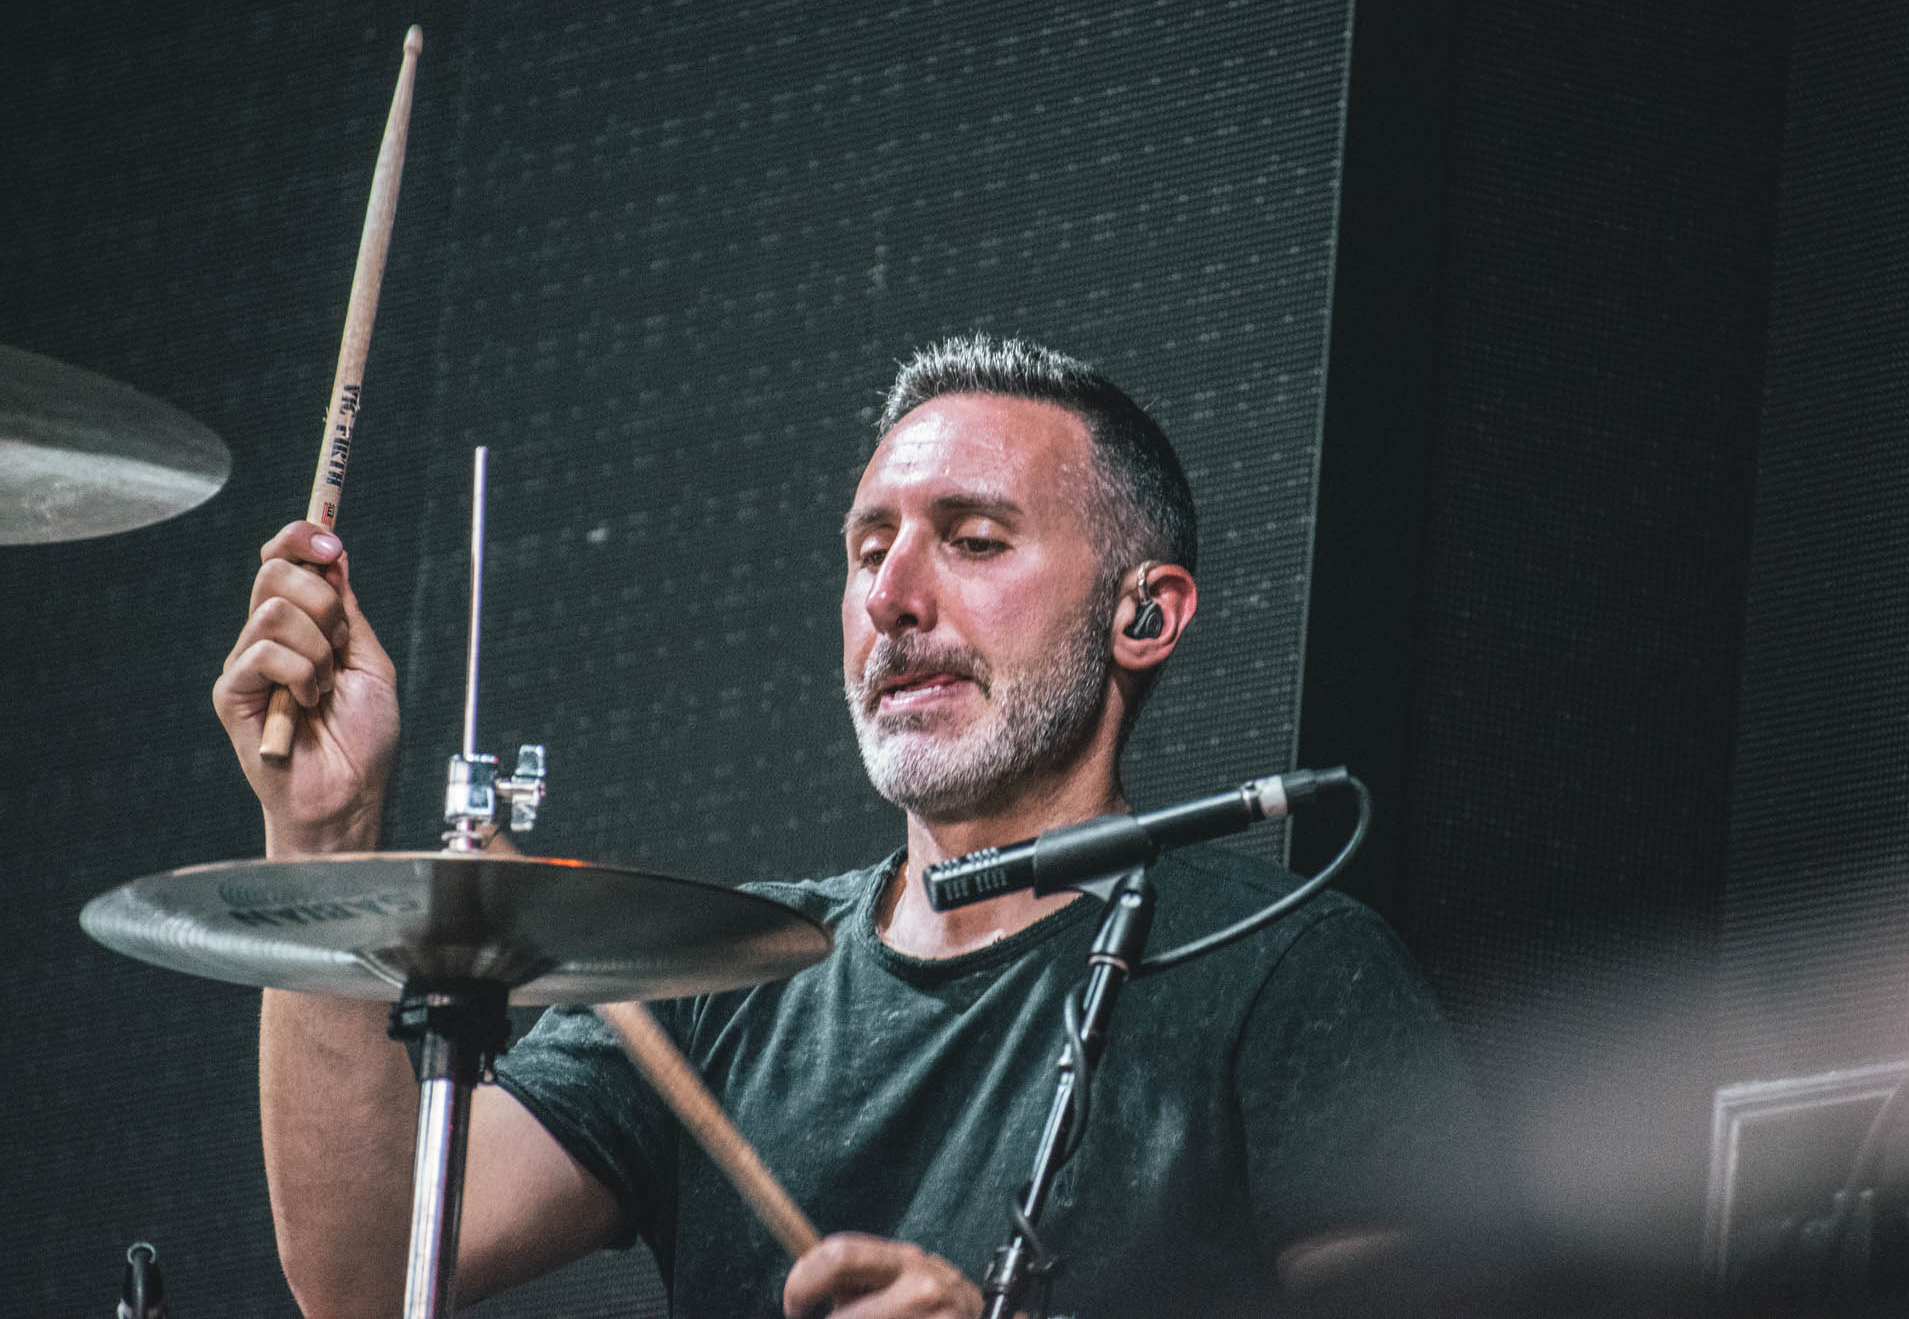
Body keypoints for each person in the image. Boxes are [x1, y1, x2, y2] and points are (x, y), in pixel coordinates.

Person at [216, 335, 1491, 1317]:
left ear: (1142, 614)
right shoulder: (717, 978)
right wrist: (321, 832)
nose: (891, 597)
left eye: (972, 540)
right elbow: (368, 1270)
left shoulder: (1289, 972)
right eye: (867, 549)